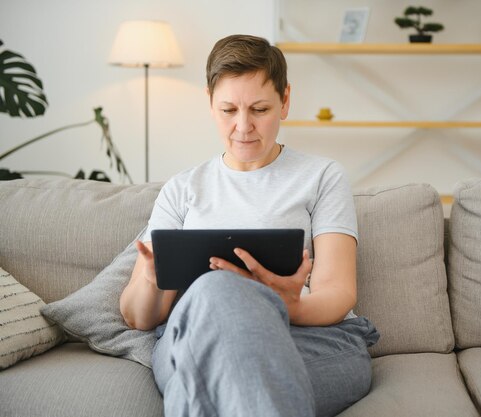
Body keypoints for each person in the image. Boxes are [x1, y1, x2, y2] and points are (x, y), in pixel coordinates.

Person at [119, 34, 379, 417]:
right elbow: (138, 317)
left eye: (259, 109)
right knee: (217, 293)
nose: (244, 127)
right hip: (195, 336)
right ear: (209, 102)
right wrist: (151, 278)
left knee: (209, 372)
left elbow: (339, 292)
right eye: (229, 110)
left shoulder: (322, 177)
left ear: (285, 101)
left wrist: (287, 305)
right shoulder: (181, 190)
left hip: (307, 337)